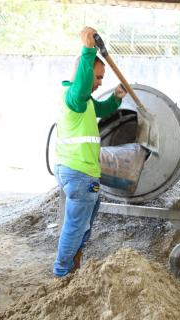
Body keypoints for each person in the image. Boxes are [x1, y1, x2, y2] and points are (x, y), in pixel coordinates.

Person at [53, 26, 127, 278]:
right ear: (84, 75)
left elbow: (102, 109)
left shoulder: (84, 103)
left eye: (102, 80)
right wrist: (88, 50)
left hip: (80, 173)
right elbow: (83, 86)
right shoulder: (75, 96)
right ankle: (62, 273)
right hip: (79, 173)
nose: (99, 84)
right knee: (75, 226)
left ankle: (72, 268)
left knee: (82, 225)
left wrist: (116, 98)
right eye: (97, 78)